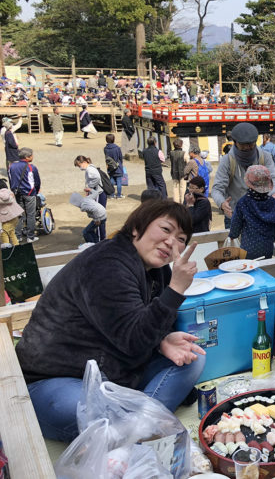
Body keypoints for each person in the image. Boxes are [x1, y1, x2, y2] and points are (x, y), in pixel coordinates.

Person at [16, 200, 205, 442]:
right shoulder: (106, 264)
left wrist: (162, 340)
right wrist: (176, 289)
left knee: (194, 356)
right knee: (98, 412)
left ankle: (136, 425)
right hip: (56, 379)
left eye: (181, 238)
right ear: (137, 228)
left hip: (118, 370)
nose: (172, 242)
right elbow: (133, 340)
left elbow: (148, 327)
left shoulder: (159, 272)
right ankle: (144, 423)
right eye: (166, 230)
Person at [211, 122, 275, 229]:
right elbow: (217, 188)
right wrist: (222, 203)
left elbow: (274, 180)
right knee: (235, 246)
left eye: (251, 144)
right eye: (243, 144)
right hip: (234, 214)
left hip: (260, 214)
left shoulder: (264, 157)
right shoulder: (227, 161)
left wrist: (273, 194)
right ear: (235, 142)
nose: (248, 147)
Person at [229, 165, 275, 259]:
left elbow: (236, 222)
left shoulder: (243, 202)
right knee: (265, 270)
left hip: (248, 248)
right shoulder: (272, 202)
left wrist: (233, 235)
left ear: (248, 183)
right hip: (267, 247)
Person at [9, 148, 41, 244]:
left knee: (19, 215)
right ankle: (30, 236)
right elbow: (37, 181)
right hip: (29, 193)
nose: (33, 157)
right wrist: (36, 191)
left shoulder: (12, 166)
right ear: (27, 157)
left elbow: (11, 180)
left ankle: (17, 236)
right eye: (31, 155)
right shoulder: (31, 167)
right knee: (30, 214)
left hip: (17, 193)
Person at [74, 155, 108, 242]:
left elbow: (96, 178)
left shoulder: (90, 170)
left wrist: (90, 187)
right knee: (99, 216)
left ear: (84, 162)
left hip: (98, 194)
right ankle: (100, 237)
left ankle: (100, 239)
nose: (80, 167)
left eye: (79, 165)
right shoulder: (91, 167)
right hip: (100, 193)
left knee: (99, 216)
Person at [103, 134, 124, 199]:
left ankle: (111, 194)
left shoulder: (105, 149)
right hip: (118, 166)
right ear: (114, 139)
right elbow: (120, 157)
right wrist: (120, 164)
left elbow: (106, 158)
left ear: (106, 140)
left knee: (111, 180)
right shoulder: (117, 148)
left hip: (110, 167)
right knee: (119, 181)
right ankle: (119, 194)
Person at [169, 138, 187, 203]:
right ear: (181, 145)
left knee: (175, 188)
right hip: (183, 173)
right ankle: (183, 201)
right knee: (183, 188)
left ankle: (176, 202)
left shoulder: (171, 153)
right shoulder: (184, 153)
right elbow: (188, 162)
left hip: (174, 172)